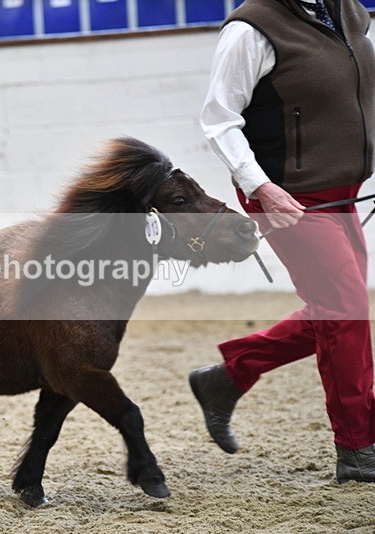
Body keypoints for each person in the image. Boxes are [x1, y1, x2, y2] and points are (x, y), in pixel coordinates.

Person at [191, 0, 375, 482]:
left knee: (338, 309)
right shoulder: (252, 28)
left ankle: (230, 374)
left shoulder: (349, 11)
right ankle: (359, 447)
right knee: (347, 312)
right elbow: (218, 118)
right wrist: (261, 188)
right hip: (286, 197)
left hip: (341, 189)